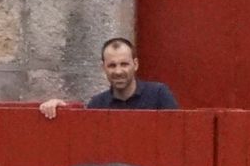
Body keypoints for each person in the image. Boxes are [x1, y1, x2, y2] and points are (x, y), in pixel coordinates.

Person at [39, 37, 180, 116]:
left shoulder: (159, 95)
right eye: (112, 65)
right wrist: (58, 107)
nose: (118, 71)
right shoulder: (97, 104)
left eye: (124, 64)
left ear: (135, 64)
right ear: (103, 68)